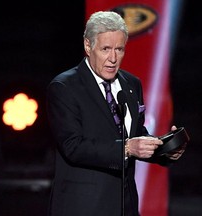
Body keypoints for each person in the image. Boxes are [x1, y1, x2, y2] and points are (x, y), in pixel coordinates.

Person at [46, 11, 185, 216]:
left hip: (125, 206)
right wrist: (127, 148)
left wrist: (164, 149)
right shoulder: (65, 87)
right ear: (87, 46)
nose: (113, 58)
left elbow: (136, 134)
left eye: (119, 49)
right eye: (105, 49)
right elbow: (73, 146)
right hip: (84, 207)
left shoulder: (131, 84)